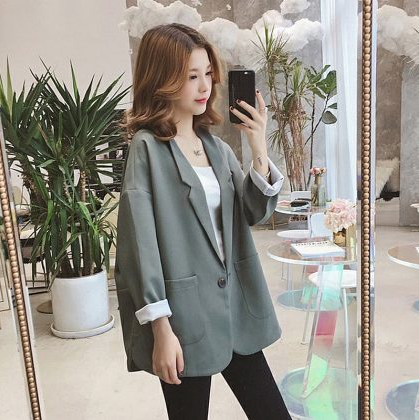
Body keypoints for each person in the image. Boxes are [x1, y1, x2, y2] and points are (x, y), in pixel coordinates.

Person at [114, 23, 291, 420]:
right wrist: (160, 328)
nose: (204, 86)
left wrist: (258, 146)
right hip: (184, 319)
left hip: (234, 310)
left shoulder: (216, 147)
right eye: (191, 76)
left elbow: (255, 213)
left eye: (207, 73)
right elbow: (140, 246)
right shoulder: (147, 149)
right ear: (162, 80)